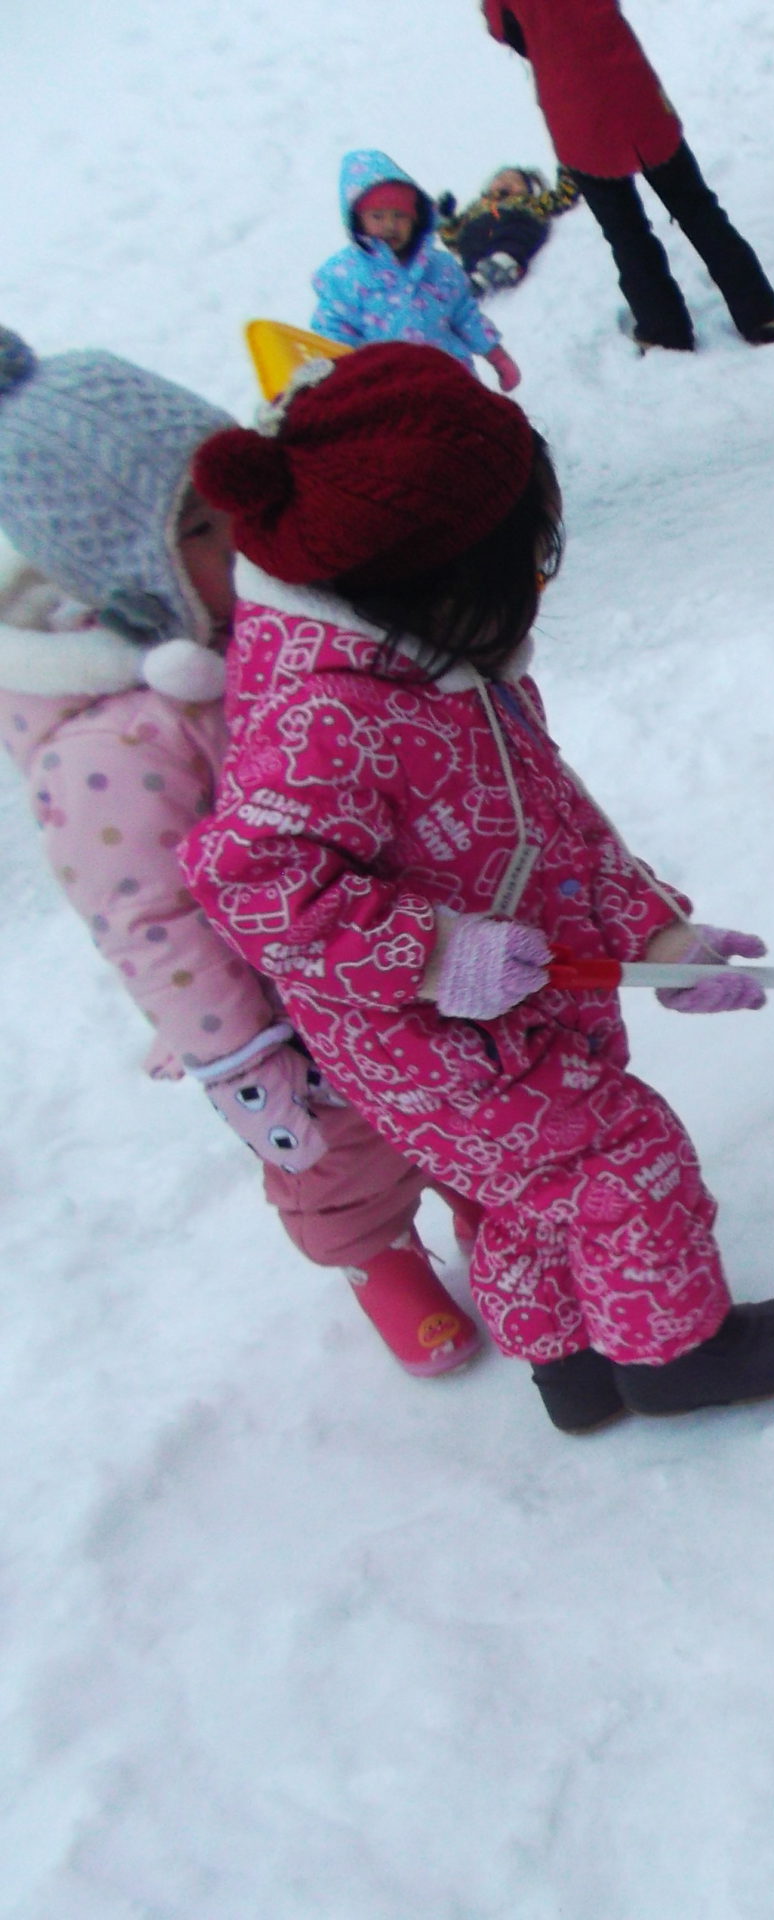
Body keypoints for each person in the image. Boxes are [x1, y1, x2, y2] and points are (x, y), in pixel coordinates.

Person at [182, 344, 774, 1434]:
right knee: (623, 1155)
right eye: (525, 566)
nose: (537, 588)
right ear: (435, 577)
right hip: (430, 1044)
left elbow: (552, 829)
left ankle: (570, 1368)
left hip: (524, 1003)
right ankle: (676, 1355)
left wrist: (658, 941)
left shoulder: (443, 672)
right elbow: (252, 880)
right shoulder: (323, 713)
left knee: (530, 1195)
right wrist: (433, 954)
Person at [0, 327, 479, 1378]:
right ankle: (377, 1255)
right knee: (342, 1157)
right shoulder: (109, 749)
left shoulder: (293, 621)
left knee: (464, 1089)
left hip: (396, 942)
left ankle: (490, 1201)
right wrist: (245, 1055)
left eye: (240, 499)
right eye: (200, 529)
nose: (244, 538)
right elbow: (148, 922)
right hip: (285, 1007)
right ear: (129, 572)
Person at [484, 0, 774, 352]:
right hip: (634, 94)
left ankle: (664, 330)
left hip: (575, 115)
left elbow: (504, 31)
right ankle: (760, 314)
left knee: (626, 233)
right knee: (698, 208)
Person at [313, 150, 522, 392]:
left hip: (450, 381)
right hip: (386, 390)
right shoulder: (344, 275)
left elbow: (465, 315)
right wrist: (342, 379)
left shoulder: (440, 267)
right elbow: (334, 333)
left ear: (416, 218)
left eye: (400, 216)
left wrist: (496, 355)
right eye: (377, 216)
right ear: (358, 219)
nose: (390, 225)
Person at [437, 166, 584, 298]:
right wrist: (445, 215)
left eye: (515, 181)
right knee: (468, 241)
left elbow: (563, 197)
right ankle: (469, 280)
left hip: (514, 223)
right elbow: (451, 237)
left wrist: (567, 168)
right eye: (500, 179)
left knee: (515, 231)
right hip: (477, 236)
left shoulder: (529, 202)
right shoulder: (475, 209)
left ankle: (506, 262)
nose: (506, 182)